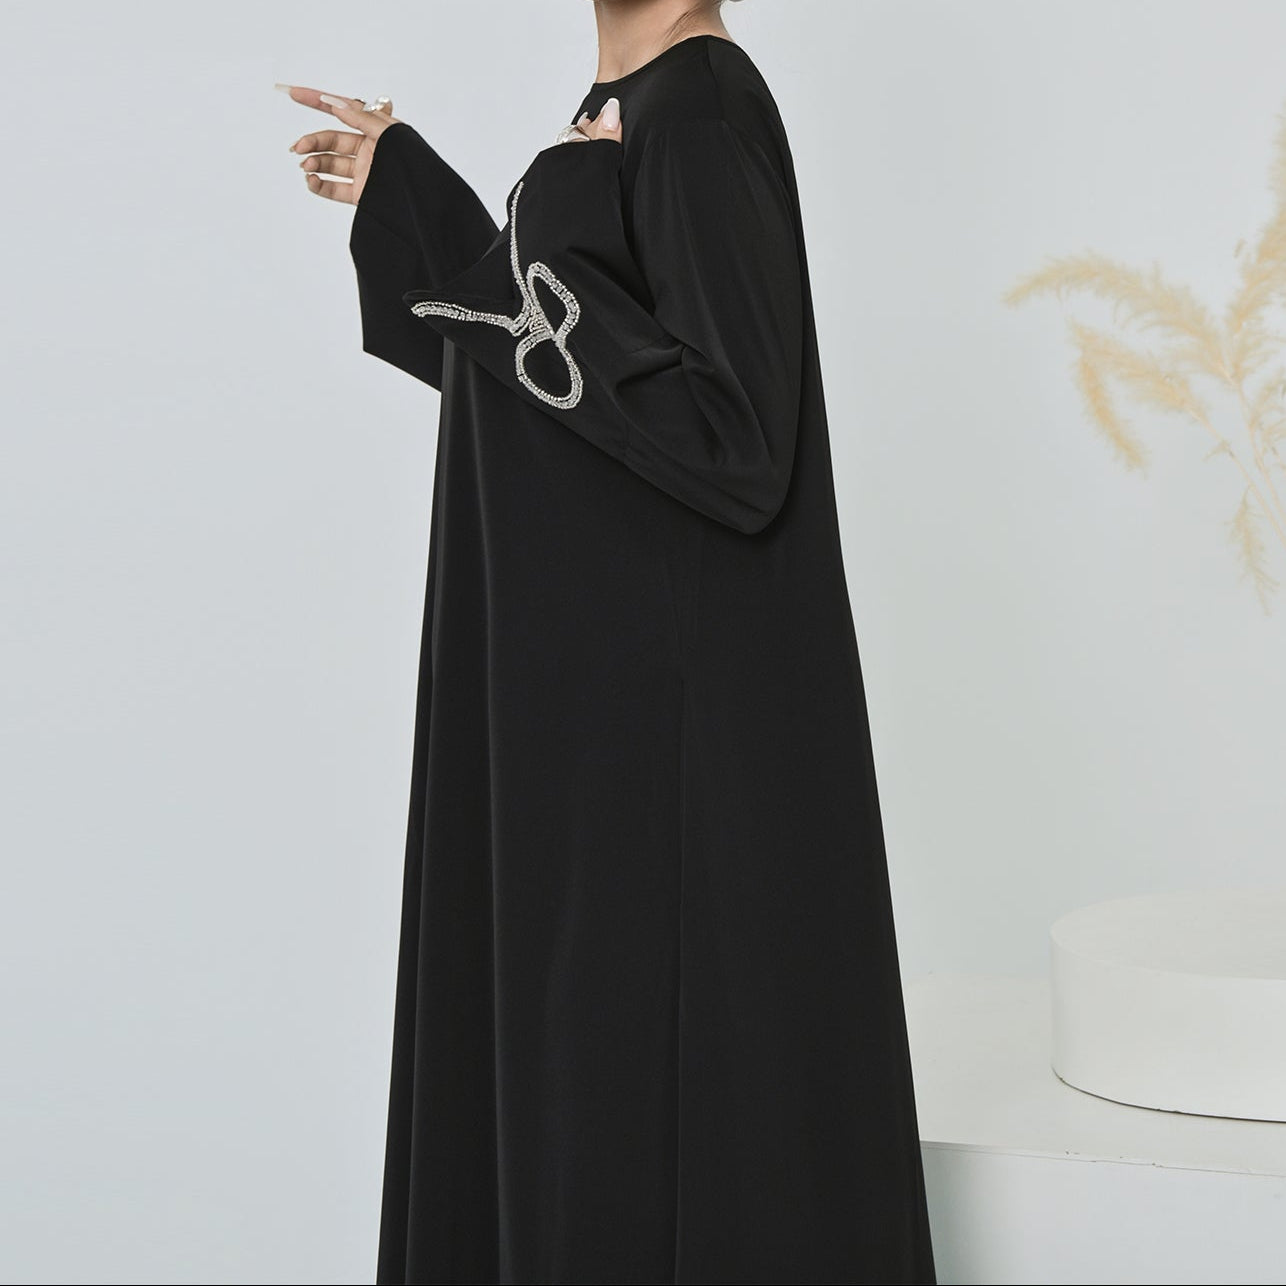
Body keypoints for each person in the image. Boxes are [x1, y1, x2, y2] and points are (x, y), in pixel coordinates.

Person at [280, 1, 937, 1281]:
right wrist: (416, 200)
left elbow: (733, 437)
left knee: (638, 1115)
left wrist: (555, 220)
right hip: (592, 728)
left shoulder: (697, 107)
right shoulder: (630, 109)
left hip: (658, 755)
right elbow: (556, 397)